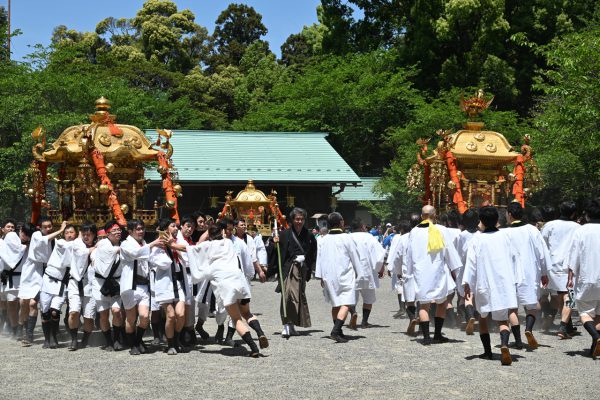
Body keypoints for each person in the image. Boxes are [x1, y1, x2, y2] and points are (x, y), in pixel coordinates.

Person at [186, 224, 262, 357]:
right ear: (222, 232)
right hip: (240, 281)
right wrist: (251, 274)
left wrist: (171, 244)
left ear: (209, 234)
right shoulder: (229, 242)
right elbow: (248, 260)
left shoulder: (207, 246)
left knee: (236, 318)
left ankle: (254, 347)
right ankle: (260, 333)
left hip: (226, 285)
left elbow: (192, 248)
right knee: (247, 313)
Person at [462, 206, 519, 365]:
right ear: (497, 220)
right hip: (503, 283)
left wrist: (468, 283)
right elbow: (515, 258)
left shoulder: (477, 239)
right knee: (502, 320)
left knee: (483, 318)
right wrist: (515, 280)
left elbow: (471, 264)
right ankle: (505, 345)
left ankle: (487, 352)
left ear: (481, 221)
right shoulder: (506, 237)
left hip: (484, 283)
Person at [405, 205, 461, 344]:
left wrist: (409, 271)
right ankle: (437, 334)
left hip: (420, 272)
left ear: (422, 216)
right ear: (434, 215)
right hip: (438, 272)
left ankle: (426, 337)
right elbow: (449, 250)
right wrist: (456, 269)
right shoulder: (441, 229)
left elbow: (409, 253)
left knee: (424, 305)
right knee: (442, 303)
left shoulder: (414, 232)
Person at [504, 202, 552, 350]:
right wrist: (544, 272)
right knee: (532, 304)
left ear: (510, 215)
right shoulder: (532, 230)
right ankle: (529, 329)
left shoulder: (503, 232)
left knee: (512, 308)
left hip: (510, 272)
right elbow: (542, 253)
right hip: (530, 271)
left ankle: (518, 341)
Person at [315, 212, 362, 343]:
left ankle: (339, 330)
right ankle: (336, 331)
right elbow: (355, 257)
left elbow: (319, 259)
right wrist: (360, 272)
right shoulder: (347, 238)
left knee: (335, 303)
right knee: (346, 302)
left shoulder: (323, 239)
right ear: (341, 222)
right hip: (345, 273)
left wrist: (320, 276)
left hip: (329, 275)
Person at [19, 217, 67, 344]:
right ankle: (26, 332)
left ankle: (49, 334)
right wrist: (61, 229)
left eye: (50, 226)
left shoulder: (56, 241)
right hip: (33, 272)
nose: (48, 229)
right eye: (45, 227)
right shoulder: (36, 235)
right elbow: (43, 240)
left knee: (45, 305)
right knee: (28, 303)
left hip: (49, 274)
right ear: (39, 227)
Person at [120, 219, 164, 355]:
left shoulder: (144, 243)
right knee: (131, 318)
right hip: (131, 286)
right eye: (138, 229)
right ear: (130, 231)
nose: (141, 232)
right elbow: (136, 254)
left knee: (145, 316)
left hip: (144, 285)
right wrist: (154, 243)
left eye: (142, 229)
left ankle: (138, 340)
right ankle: (133, 344)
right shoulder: (125, 244)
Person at [274, 207, 317, 338]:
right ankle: (286, 324)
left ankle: (292, 324)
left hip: (302, 269)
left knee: (298, 296)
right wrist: (274, 243)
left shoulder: (308, 235)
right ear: (292, 220)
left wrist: (306, 259)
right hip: (288, 268)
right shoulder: (284, 234)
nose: (299, 221)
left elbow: (313, 251)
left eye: (302, 219)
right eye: (297, 219)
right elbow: (277, 253)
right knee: (288, 295)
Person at [541, 201, 580, 339]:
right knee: (569, 296)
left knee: (561, 295)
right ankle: (563, 327)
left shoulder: (549, 225)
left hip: (552, 265)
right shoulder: (577, 227)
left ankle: (568, 326)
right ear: (574, 213)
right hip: (570, 266)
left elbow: (542, 244)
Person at [150, 218, 190, 355]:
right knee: (171, 316)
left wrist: (173, 245)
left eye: (176, 226)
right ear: (165, 229)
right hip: (165, 283)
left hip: (178, 282)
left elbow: (188, 256)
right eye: (173, 226)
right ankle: (171, 343)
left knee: (181, 314)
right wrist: (167, 246)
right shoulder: (157, 246)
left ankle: (176, 339)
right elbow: (163, 263)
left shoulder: (178, 242)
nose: (176, 228)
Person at [566, 198, 600, 359]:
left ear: (587, 215)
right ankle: (595, 346)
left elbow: (574, 256)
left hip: (587, 277)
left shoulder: (581, 231)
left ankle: (596, 337)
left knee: (585, 312)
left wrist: (570, 276)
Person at [38, 223, 77, 349]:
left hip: (61, 283)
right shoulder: (60, 242)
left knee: (54, 312)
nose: (70, 235)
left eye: (72, 232)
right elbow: (67, 246)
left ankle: (54, 337)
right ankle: (46, 338)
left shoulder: (78, 247)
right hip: (48, 279)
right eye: (67, 233)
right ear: (63, 234)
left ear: (75, 233)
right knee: (45, 312)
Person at [92, 220, 124, 351]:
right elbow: (113, 251)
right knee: (104, 314)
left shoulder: (124, 244)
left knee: (116, 312)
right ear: (107, 233)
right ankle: (108, 341)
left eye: (119, 230)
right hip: (101, 283)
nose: (117, 232)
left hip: (116, 283)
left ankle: (116, 339)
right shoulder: (103, 244)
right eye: (114, 231)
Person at [348, 218, 385, 329]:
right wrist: (380, 269)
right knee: (368, 299)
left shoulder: (347, 238)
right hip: (367, 271)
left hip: (351, 272)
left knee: (350, 298)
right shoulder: (370, 238)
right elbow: (379, 256)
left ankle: (353, 313)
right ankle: (364, 321)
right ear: (362, 226)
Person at [0, 223, 33, 339]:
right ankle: (14, 328)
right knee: (11, 304)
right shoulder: (7, 240)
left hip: (25, 278)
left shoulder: (28, 245)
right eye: (8, 227)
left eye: (28, 234)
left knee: (24, 303)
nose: (26, 236)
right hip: (9, 278)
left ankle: (22, 327)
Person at [68, 221, 97, 349]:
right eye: (84, 234)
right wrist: (95, 248)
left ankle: (85, 339)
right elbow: (83, 252)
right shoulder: (76, 243)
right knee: (74, 312)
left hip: (90, 285)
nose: (86, 237)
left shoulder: (99, 245)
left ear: (94, 235)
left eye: (89, 234)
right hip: (75, 282)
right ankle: (73, 339)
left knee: (88, 317)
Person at [455, 209, 479, 335]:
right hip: (478, 267)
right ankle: (477, 317)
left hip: (464, 266)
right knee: (476, 293)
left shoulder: (461, 235)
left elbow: (458, 252)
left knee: (466, 294)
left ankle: (469, 316)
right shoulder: (481, 234)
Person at [0, 218, 16, 335]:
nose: (10, 229)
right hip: (1, 275)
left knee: (13, 301)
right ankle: (4, 321)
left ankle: (13, 325)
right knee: (2, 301)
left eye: (12, 227)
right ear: (2, 229)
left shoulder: (17, 243)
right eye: (8, 227)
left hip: (12, 276)